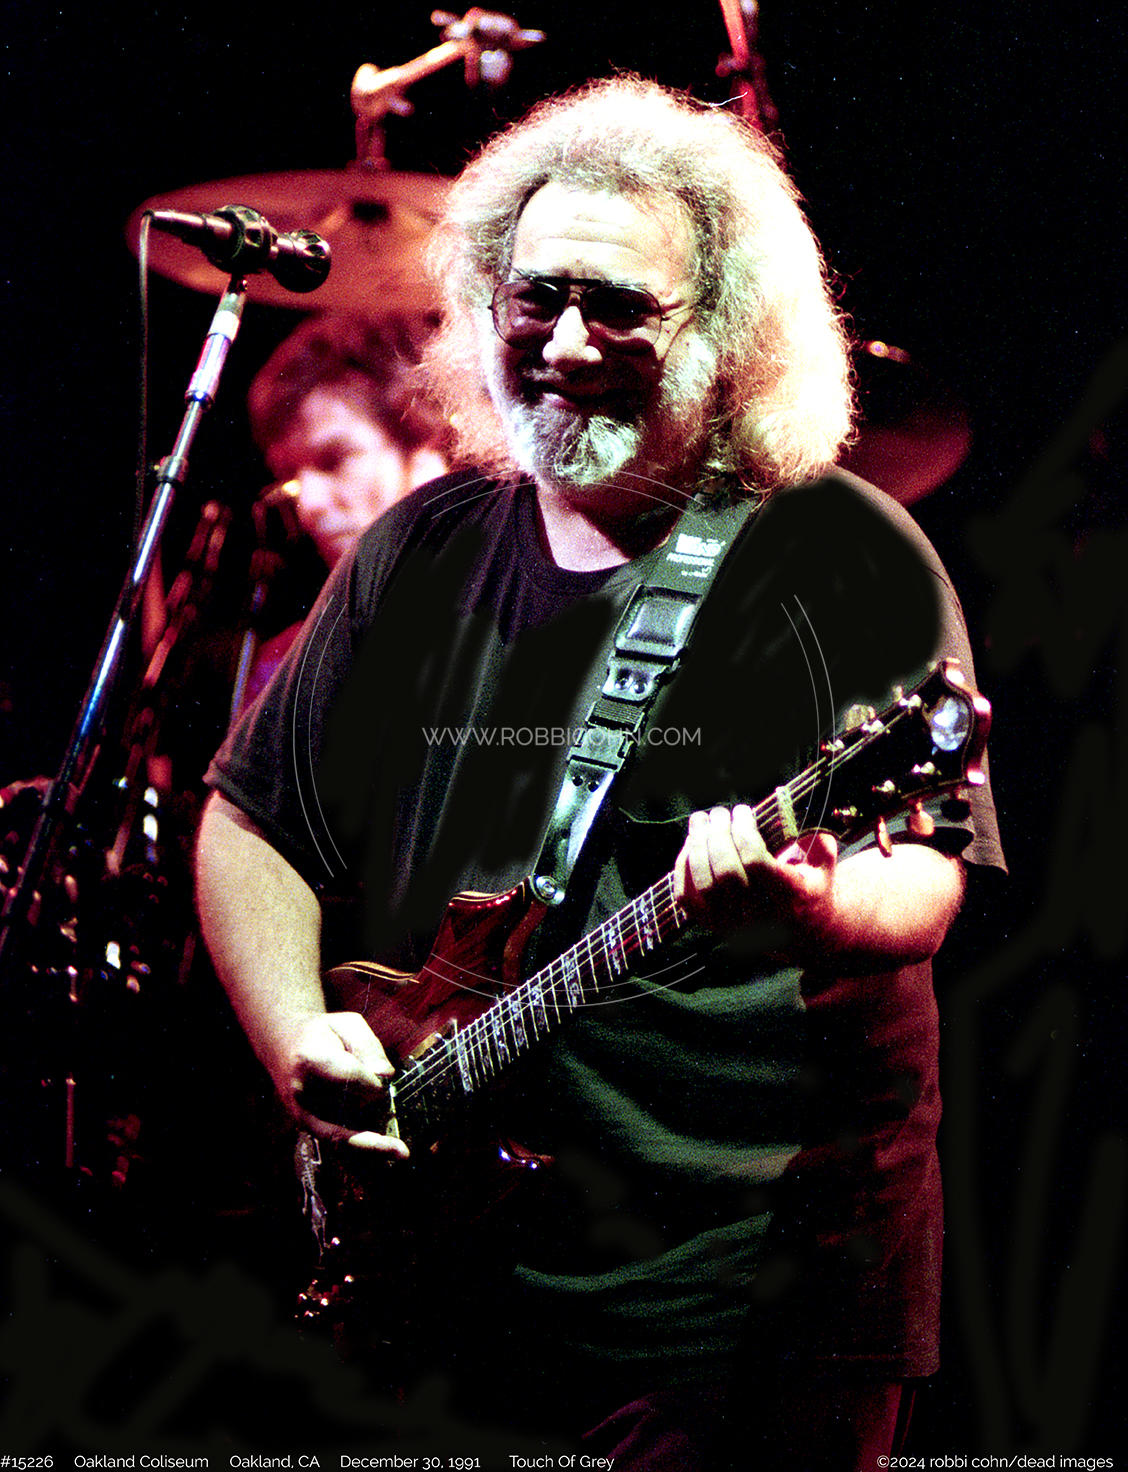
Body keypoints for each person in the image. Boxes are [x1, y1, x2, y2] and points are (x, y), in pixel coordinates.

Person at [195, 77, 1004, 1470]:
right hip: (461, 1287)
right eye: (536, 298)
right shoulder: (422, 546)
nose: (566, 343)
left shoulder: (844, 555)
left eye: (620, 307)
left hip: (749, 1300)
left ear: (727, 331)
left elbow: (925, 875)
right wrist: (294, 1040)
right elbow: (249, 821)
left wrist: (814, 907)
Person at [237, 310, 449, 707]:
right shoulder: (289, 666)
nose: (308, 506)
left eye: (334, 460)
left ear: (426, 451)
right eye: (290, 476)